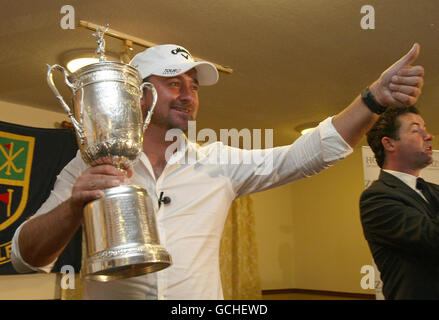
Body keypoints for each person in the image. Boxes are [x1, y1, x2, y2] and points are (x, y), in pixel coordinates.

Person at [11, 43, 424, 299]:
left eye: (194, 85)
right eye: (175, 82)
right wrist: (72, 208)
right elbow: (26, 258)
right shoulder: (90, 162)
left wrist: (372, 100)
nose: (189, 95)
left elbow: (304, 155)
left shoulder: (219, 161)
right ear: (139, 94)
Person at [360, 106, 439, 299]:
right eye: (415, 130)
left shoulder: (435, 190)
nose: (429, 136)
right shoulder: (376, 198)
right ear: (389, 143)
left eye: (425, 128)